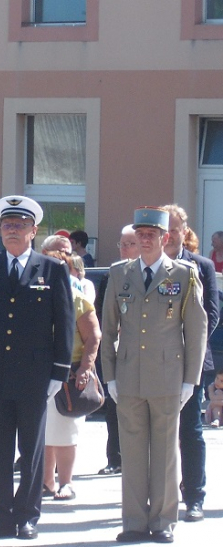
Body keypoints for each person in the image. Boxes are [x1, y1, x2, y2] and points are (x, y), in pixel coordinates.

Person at [0, 195, 74, 541]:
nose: (12, 231)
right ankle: (1, 516)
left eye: (20, 225)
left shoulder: (53, 269)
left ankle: (27, 515)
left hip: (34, 374)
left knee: (31, 450)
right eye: (7, 225)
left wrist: (59, 372)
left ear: (34, 231)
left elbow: (65, 323)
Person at [101, 206, 207, 544]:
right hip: (129, 375)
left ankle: (162, 522)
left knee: (164, 453)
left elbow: (197, 328)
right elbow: (108, 327)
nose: (145, 240)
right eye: (140, 235)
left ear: (166, 237)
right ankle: (133, 521)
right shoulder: (120, 274)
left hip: (167, 375)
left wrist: (191, 379)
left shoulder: (184, 274)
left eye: (152, 235)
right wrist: (111, 377)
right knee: (131, 452)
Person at [162, 204, 219, 523]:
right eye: (163, 228)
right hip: (153, 362)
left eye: (174, 228)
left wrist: (187, 348)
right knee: (155, 433)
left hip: (190, 363)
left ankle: (194, 496)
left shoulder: (202, 265)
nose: (168, 234)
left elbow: (211, 313)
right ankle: (158, 497)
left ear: (184, 231)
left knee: (190, 432)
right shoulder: (145, 265)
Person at [40, 249, 101, 502]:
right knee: (43, 433)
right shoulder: (35, 297)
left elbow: (93, 336)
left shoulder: (77, 299)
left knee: (65, 431)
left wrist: (85, 368)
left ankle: (66, 483)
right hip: (39, 371)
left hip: (71, 372)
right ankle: (45, 482)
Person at [97, 224, 140, 476]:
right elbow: (104, 316)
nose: (125, 249)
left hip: (146, 354)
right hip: (118, 352)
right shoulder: (111, 275)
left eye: (130, 244)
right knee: (114, 410)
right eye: (122, 244)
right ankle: (115, 458)